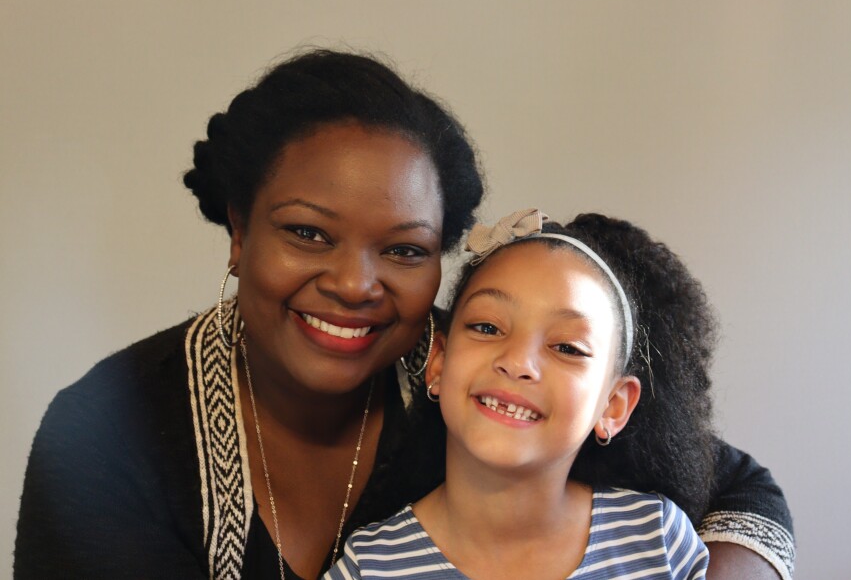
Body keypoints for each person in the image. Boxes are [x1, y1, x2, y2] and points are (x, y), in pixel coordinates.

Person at [14, 50, 794, 580]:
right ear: (239, 230)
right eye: (307, 233)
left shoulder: (485, 383)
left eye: (405, 249)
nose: (356, 283)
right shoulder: (106, 438)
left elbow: (741, 488)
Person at [325, 209, 713, 579]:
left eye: (567, 348)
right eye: (487, 327)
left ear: (614, 405)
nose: (517, 362)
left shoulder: (657, 539)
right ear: (439, 362)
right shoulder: (370, 566)